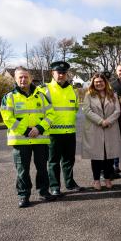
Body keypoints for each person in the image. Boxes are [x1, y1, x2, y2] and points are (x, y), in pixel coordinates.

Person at [0, 67, 56, 207]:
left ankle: (44, 192)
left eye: (25, 77)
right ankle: (23, 195)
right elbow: (7, 118)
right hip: (20, 140)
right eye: (20, 77)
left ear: (30, 78)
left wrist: (39, 128)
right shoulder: (9, 97)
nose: (23, 79)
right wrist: (25, 131)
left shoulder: (41, 95)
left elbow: (51, 115)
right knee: (22, 170)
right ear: (15, 79)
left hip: (40, 138)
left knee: (42, 168)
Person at [43, 61, 84, 196]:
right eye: (58, 73)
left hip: (69, 132)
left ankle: (70, 183)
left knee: (69, 160)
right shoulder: (44, 89)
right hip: (52, 133)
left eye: (63, 73)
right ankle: (55, 187)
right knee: (53, 162)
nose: (61, 75)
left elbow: (75, 108)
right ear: (52, 73)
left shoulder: (72, 91)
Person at [81, 73, 121, 190]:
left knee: (109, 156)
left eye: (101, 81)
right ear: (93, 83)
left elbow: (117, 111)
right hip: (95, 128)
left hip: (110, 128)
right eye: (96, 82)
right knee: (96, 156)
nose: (99, 84)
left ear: (105, 82)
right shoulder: (89, 95)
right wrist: (101, 121)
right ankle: (96, 180)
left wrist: (108, 121)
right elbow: (87, 111)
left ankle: (107, 179)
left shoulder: (113, 95)